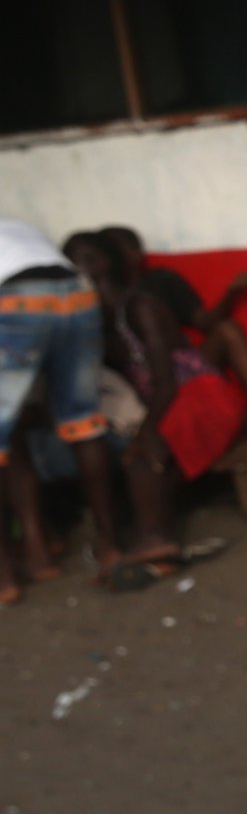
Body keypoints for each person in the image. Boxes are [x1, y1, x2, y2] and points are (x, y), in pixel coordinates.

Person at [64, 231, 247, 582]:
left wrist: (149, 432)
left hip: (198, 396)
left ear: (109, 262)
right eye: (71, 261)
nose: (79, 269)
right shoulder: (93, 320)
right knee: (142, 455)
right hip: (167, 404)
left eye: (87, 258)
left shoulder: (139, 306)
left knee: (146, 455)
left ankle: (155, 541)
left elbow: (167, 383)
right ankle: (159, 552)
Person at [0, 218, 126, 604]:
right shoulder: (15, 226)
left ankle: (4, 577)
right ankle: (105, 547)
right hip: (76, 293)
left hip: (15, 299)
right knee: (82, 423)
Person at [97, 226, 247, 435]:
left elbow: (204, 320)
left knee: (227, 330)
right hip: (142, 378)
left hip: (182, 366)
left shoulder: (161, 280)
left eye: (125, 249)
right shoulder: (106, 299)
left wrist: (231, 294)